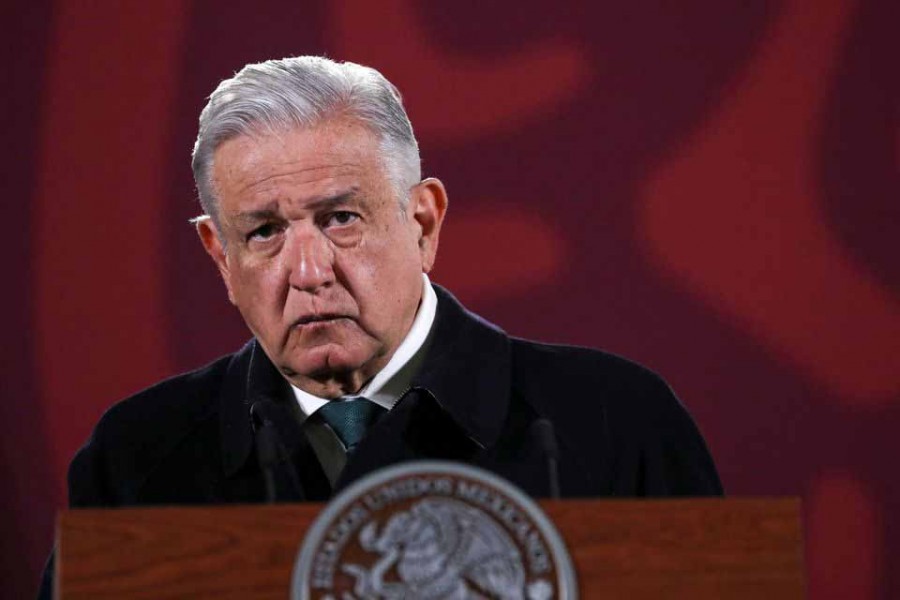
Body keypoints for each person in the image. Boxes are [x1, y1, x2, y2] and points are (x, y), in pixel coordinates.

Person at [39, 55, 720, 596]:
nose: (307, 271)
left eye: (341, 218)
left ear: (422, 223)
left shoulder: (613, 422)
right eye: (266, 231)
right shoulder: (137, 459)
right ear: (221, 257)